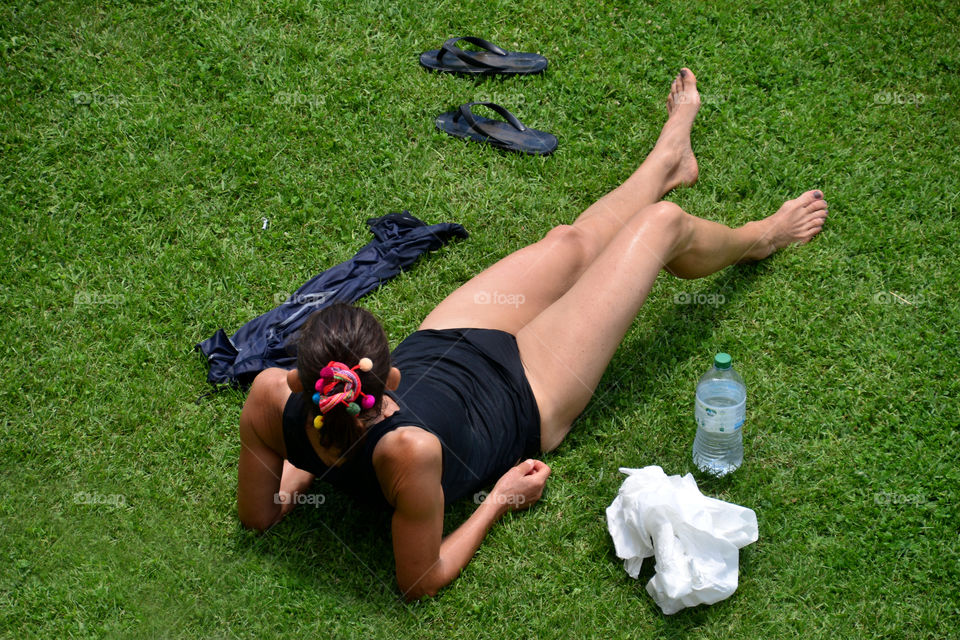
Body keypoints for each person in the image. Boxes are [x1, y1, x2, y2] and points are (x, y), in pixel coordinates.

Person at [236, 68, 828, 600]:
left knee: (567, 245)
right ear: (388, 377)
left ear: (299, 378)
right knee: (662, 226)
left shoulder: (270, 396)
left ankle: (668, 163)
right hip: (526, 387)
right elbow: (418, 579)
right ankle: (762, 237)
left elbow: (261, 515)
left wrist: (315, 453)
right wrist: (498, 500)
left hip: (451, 340)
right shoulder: (406, 451)